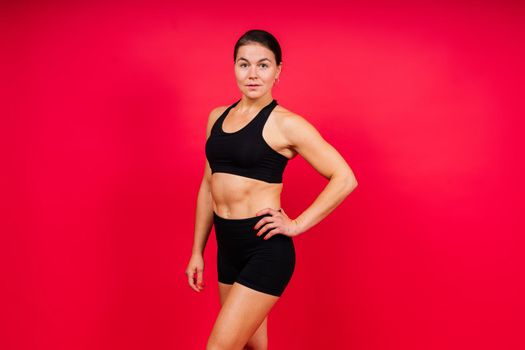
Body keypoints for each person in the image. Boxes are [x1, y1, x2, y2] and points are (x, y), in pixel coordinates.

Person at [185, 29, 358, 350]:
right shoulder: (216, 118)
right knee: (253, 347)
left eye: (263, 65)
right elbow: (208, 185)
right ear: (233, 67)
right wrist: (198, 251)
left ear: (278, 70)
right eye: (244, 64)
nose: (252, 74)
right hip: (228, 249)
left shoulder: (286, 124)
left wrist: (296, 225)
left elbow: (344, 177)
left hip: (264, 250)